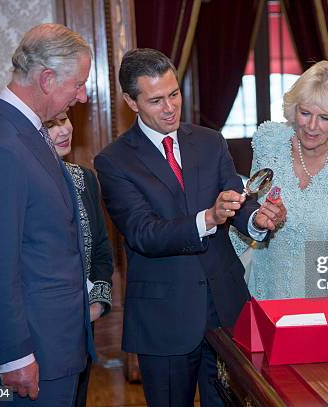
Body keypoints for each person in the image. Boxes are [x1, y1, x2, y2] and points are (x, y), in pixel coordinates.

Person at [94, 48, 286, 407]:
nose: (170, 107)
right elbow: (143, 234)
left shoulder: (209, 140)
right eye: (155, 100)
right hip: (164, 318)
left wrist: (258, 220)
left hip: (225, 308)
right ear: (130, 102)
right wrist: (208, 218)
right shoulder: (113, 161)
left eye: (174, 94)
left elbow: (236, 201)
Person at [0, 24, 93, 405]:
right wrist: (15, 355)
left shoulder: (26, 130)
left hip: (55, 345)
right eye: (78, 84)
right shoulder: (0, 146)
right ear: (47, 79)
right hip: (32, 354)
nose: (82, 97)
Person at [231, 61, 328, 300]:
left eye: (324, 117)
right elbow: (249, 217)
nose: (311, 126)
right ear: (294, 109)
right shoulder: (270, 142)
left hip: (321, 298)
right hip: (266, 290)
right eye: (305, 113)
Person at [44, 113, 114, 407]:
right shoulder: (16, 182)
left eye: (66, 119)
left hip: (82, 325)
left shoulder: (83, 179)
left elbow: (100, 248)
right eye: (52, 124)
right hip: (38, 330)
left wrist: (97, 304)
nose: (65, 130)